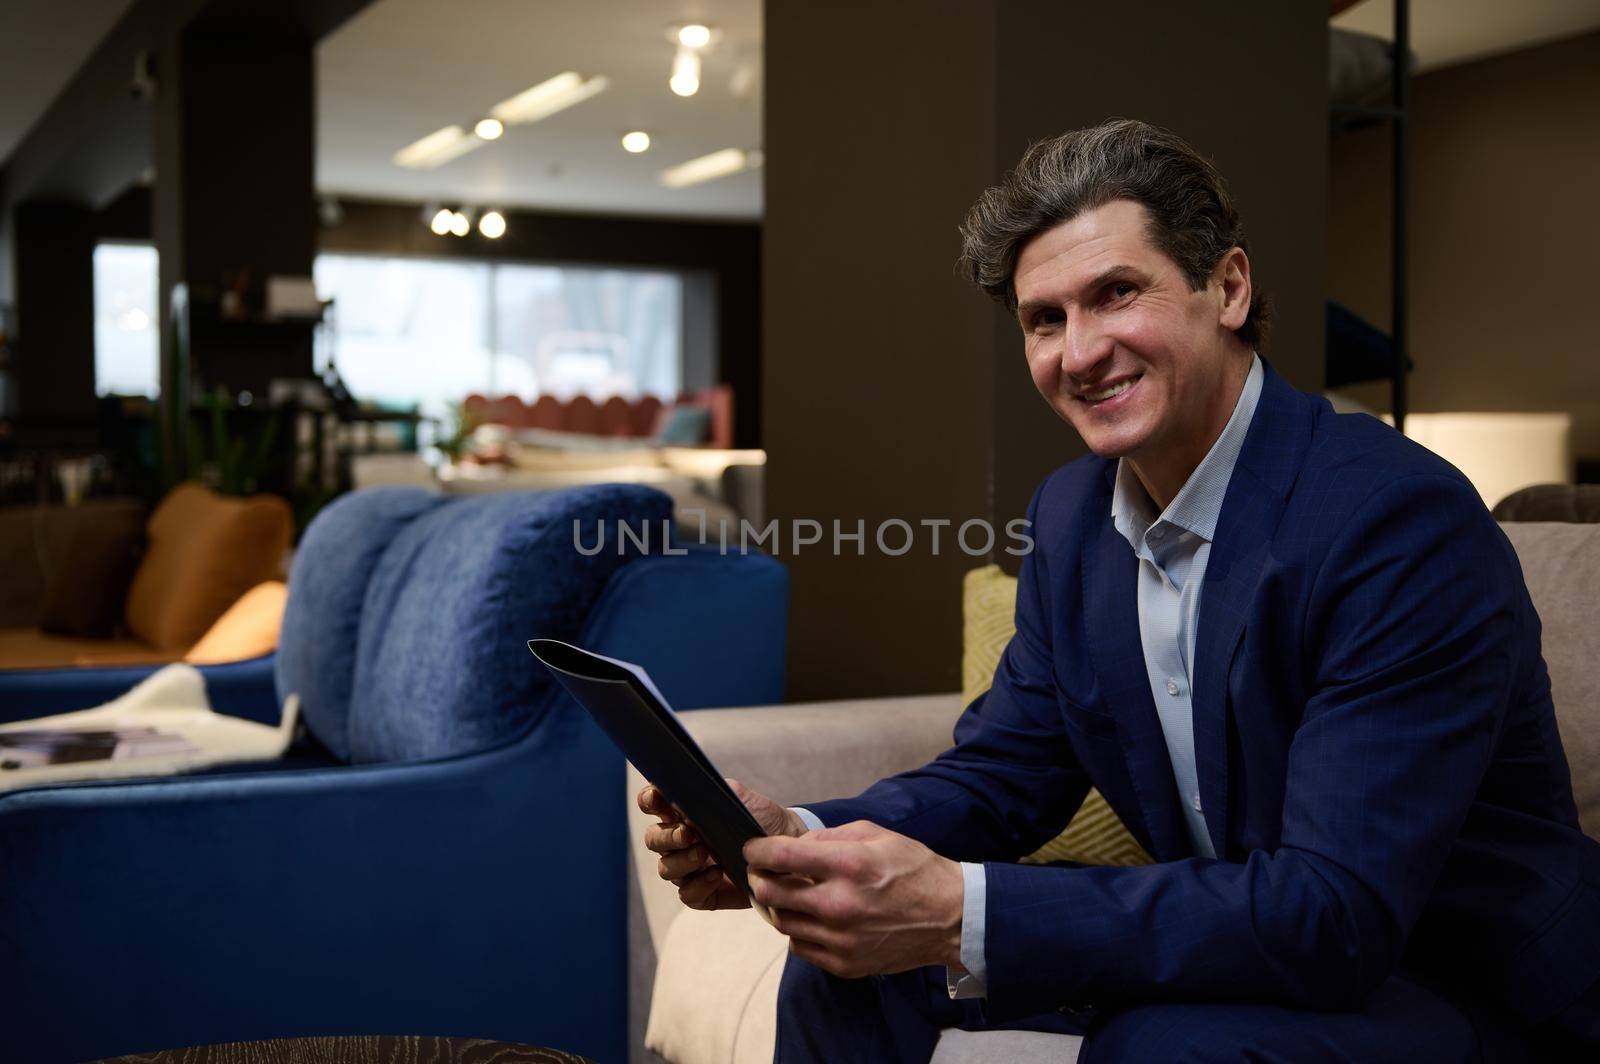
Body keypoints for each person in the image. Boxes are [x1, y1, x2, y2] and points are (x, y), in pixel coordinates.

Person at [639, 119, 1600, 1062]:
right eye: (1044, 319)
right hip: (1253, 934)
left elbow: (1335, 912)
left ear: (1226, 287)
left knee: (1168, 1045)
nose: (1080, 350)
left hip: (1451, 978)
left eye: (1116, 294)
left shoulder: (1395, 521)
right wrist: (802, 837)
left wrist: (962, 910)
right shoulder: (1072, 516)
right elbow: (1005, 773)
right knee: (844, 969)